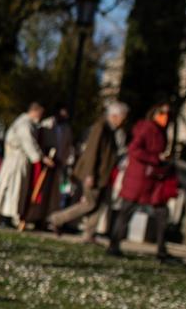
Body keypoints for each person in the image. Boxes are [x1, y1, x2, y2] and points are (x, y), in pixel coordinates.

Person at [49, 102, 128, 242]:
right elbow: (92, 152)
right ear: (115, 116)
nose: (124, 120)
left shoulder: (110, 130)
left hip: (103, 174)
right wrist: (89, 174)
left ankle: (89, 234)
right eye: (123, 117)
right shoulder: (101, 127)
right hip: (94, 174)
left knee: (98, 205)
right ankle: (56, 219)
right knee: (89, 204)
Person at [107, 102, 176, 259]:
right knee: (126, 212)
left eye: (167, 114)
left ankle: (161, 250)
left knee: (161, 212)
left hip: (153, 180)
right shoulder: (146, 128)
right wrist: (155, 158)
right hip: (138, 179)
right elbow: (134, 150)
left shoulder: (161, 132)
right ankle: (114, 245)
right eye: (162, 113)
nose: (165, 117)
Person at [0, 102, 47, 228]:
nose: (41, 117)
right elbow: (29, 143)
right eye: (40, 113)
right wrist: (41, 157)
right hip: (16, 161)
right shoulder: (24, 124)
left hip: (19, 160)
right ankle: (5, 218)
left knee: (15, 189)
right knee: (12, 188)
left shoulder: (27, 123)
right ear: (34, 111)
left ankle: (8, 217)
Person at [24, 107, 74, 228]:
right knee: (40, 191)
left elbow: (68, 147)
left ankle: (46, 219)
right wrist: (44, 157)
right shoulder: (46, 125)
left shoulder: (67, 129)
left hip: (58, 163)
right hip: (45, 162)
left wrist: (65, 160)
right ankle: (34, 217)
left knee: (53, 195)